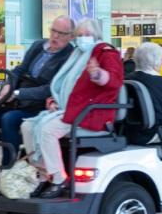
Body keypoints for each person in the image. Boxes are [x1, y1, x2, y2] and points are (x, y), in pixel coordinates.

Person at [0, 16, 75, 191]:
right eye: (53, 31)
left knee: (9, 120)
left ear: (71, 36)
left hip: (39, 106)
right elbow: (19, 70)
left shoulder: (69, 56)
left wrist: (18, 93)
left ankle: (8, 173)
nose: (55, 36)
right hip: (16, 99)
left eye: (61, 33)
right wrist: (7, 86)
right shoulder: (38, 46)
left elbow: (50, 88)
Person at [21, 19, 123, 198]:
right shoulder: (78, 54)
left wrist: (98, 74)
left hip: (92, 113)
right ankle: (44, 176)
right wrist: (55, 100)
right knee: (27, 127)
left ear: (96, 35)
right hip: (73, 109)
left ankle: (59, 179)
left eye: (87, 35)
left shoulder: (106, 52)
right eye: (79, 35)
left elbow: (114, 80)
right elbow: (64, 85)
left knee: (47, 130)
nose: (83, 39)